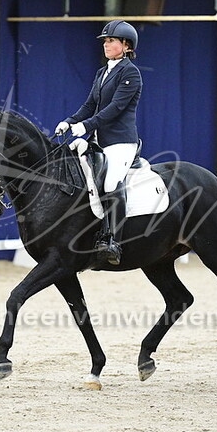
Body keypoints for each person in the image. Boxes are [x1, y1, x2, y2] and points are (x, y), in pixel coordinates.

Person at [55, 20, 142, 265]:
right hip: (98, 141)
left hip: (120, 142)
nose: (106, 44)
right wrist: (69, 121)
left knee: (111, 183)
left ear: (126, 45)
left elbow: (115, 108)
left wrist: (86, 126)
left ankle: (113, 240)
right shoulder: (102, 72)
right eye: (105, 41)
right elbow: (90, 105)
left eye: (111, 40)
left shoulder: (130, 73)